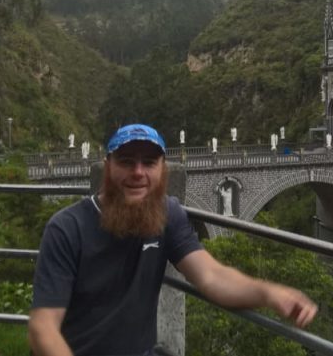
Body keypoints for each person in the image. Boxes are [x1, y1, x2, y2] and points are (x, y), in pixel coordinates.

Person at [29, 123, 317, 356]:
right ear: (108, 167)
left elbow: (212, 276)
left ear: (163, 169)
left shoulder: (167, 215)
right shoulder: (67, 228)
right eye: (127, 161)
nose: (138, 172)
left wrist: (270, 294)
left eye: (149, 162)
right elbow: (44, 328)